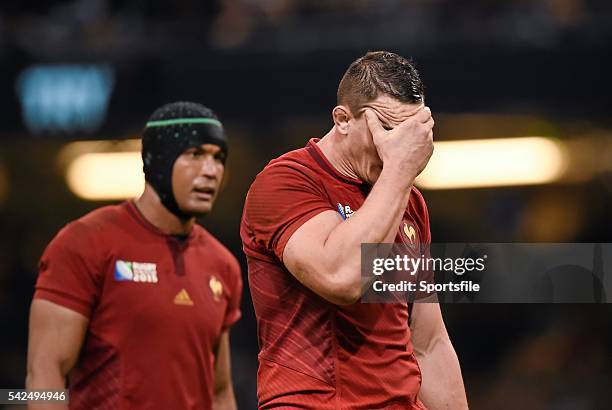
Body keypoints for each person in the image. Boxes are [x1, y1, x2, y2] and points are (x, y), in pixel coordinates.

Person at [241, 51, 468, 409]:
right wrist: (400, 171)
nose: (398, 148)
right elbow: (342, 277)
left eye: (411, 134)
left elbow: (429, 342)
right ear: (343, 119)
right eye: (388, 131)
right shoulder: (285, 182)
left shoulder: (409, 200)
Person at [27, 102, 242, 410]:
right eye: (195, 155)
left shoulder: (222, 265)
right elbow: (44, 375)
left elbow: (220, 392)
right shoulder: (85, 242)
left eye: (218, 158)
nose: (211, 171)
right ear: (158, 162)